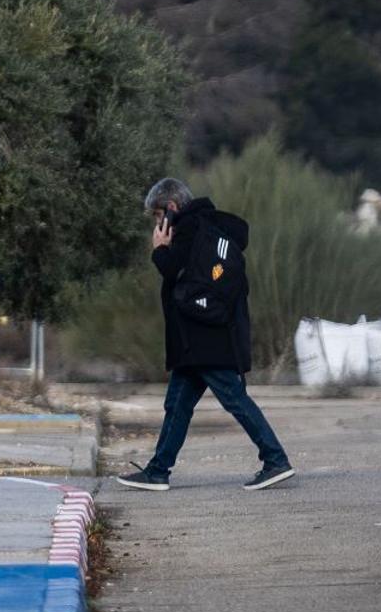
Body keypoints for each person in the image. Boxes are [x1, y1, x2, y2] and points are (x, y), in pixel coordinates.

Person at [116, 178, 295, 491]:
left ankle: (275, 458)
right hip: (199, 341)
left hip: (207, 341)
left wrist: (159, 251)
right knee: (177, 405)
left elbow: (176, 271)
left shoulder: (191, 230)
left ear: (171, 209)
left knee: (234, 400)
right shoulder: (210, 230)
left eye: (158, 216)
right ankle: (158, 470)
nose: (157, 224)